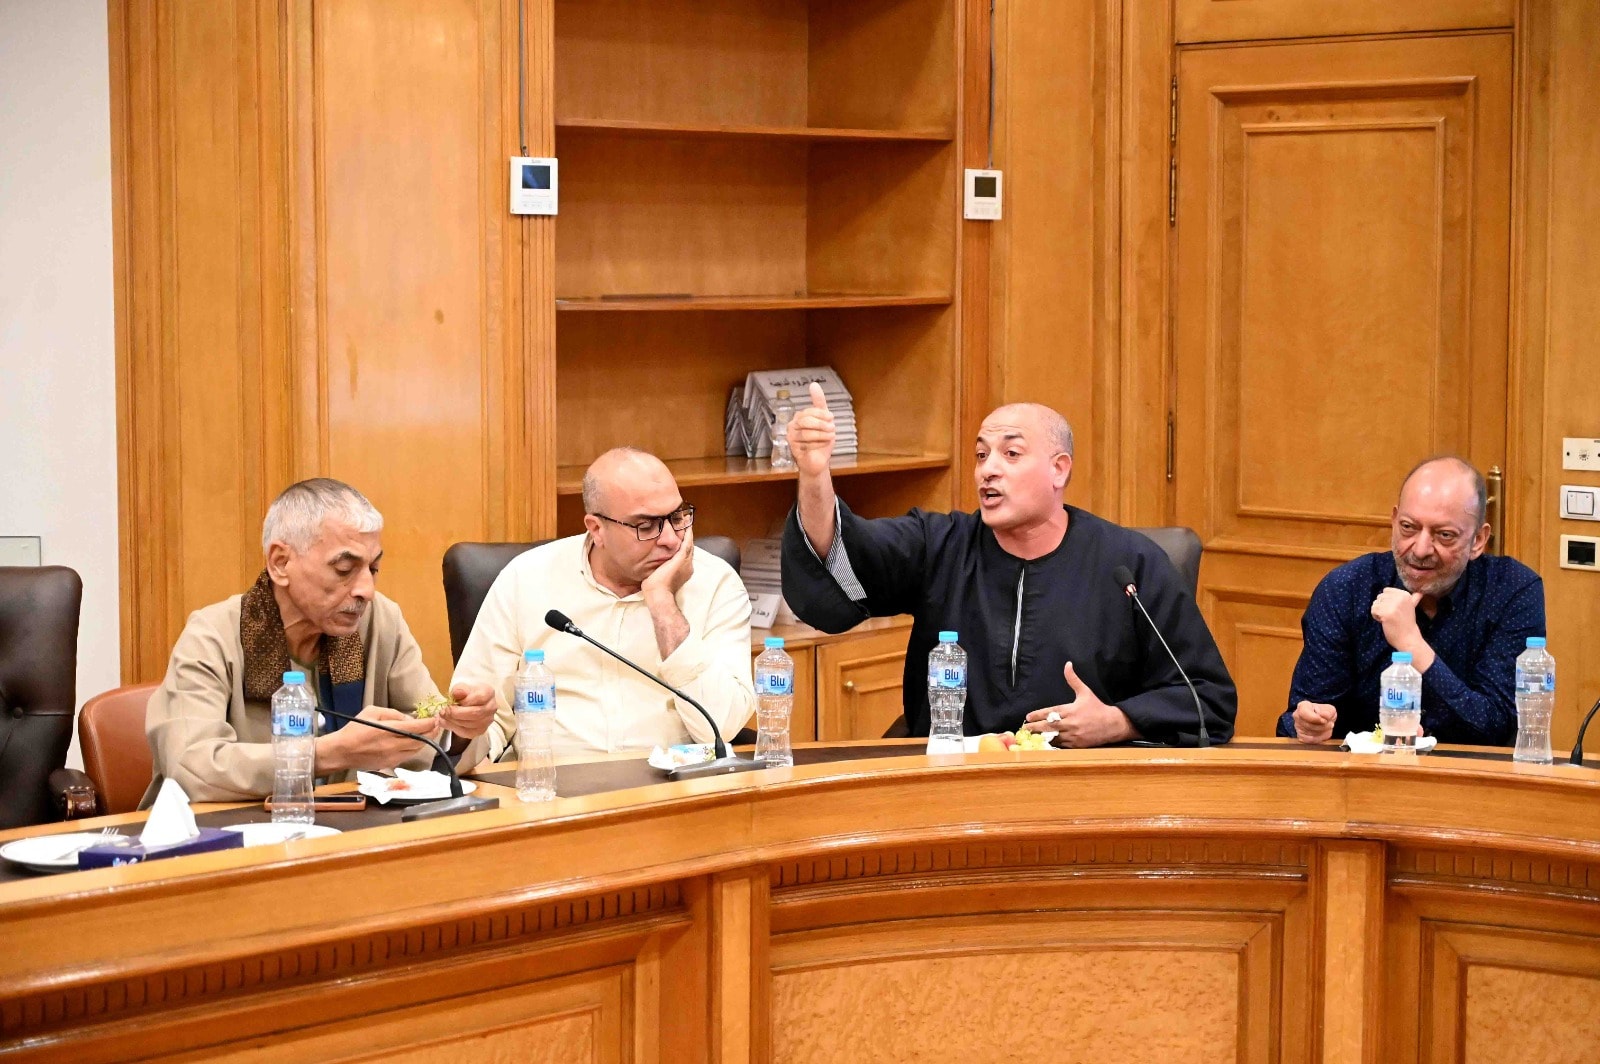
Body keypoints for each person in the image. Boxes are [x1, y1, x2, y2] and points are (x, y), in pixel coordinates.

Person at [781, 384, 1236, 746]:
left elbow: (1206, 699)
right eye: (981, 455)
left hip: (1082, 793)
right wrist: (815, 476)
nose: (988, 470)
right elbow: (846, 553)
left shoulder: (1129, 567)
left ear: (1059, 470)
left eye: (1011, 454)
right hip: (954, 788)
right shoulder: (941, 545)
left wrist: (1117, 722)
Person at [144, 479, 498, 804]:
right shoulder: (213, 635)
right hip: (231, 838)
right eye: (344, 569)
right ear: (280, 563)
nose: (366, 590)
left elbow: (426, 742)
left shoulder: (380, 622)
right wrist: (330, 753)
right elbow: (192, 768)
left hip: (350, 832)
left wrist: (460, 730)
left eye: (373, 569)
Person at [450, 448, 757, 760]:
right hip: (551, 781)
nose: (670, 539)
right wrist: (465, 730)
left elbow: (721, 727)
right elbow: (483, 724)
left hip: (676, 781)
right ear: (596, 529)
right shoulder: (525, 578)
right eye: (646, 526)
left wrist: (663, 603)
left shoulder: (715, 582)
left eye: (677, 518)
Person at [1279, 456, 1545, 746]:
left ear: (1478, 540)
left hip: (1468, 771)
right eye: (1408, 527)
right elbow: (1302, 717)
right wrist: (1310, 725)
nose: (1420, 549)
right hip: (1362, 769)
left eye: (1444, 535)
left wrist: (1412, 645)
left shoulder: (1512, 591)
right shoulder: (1346, 589)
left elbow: (1496, 728)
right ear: (1394, 520)